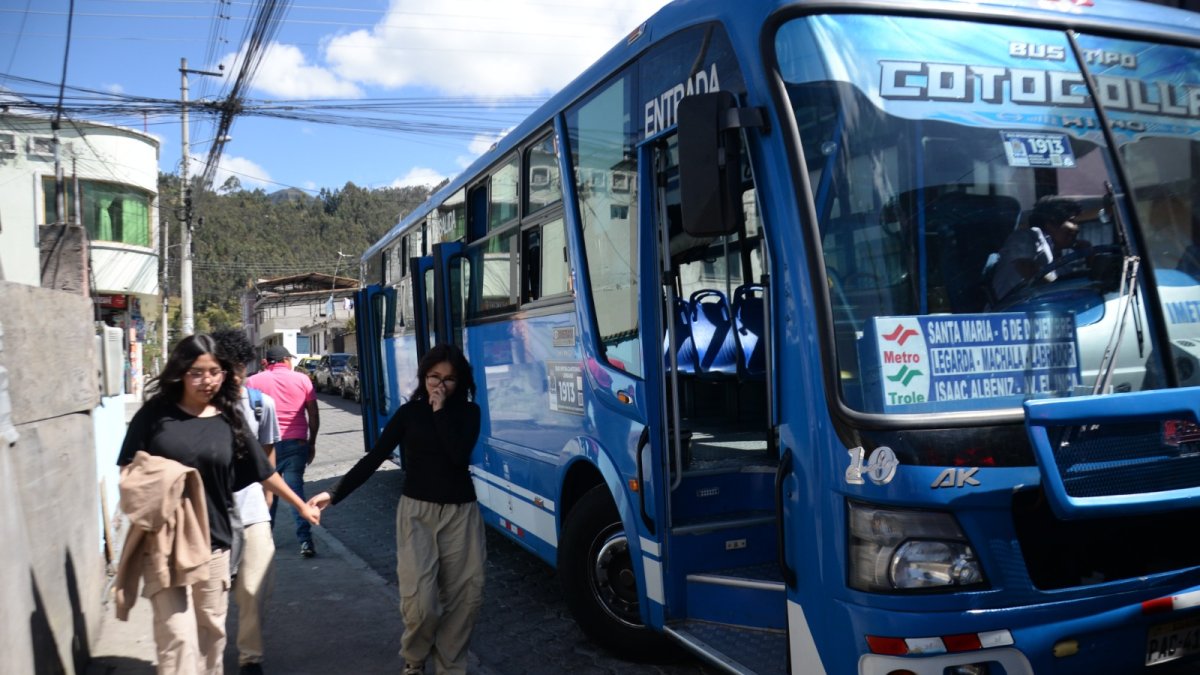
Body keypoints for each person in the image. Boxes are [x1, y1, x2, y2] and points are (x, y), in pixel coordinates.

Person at [116, 334, 320, 675]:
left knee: (211, 636)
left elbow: (263, 470)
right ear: (180, 371)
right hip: (166, 542)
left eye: (214, 372)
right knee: (178, 637)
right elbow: (128, 467)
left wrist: (300, 506)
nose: (206, 380)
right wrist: (169, 479)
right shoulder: (155, 415)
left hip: (215, 545)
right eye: (197, 372)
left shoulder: (229, 419)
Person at [308, 344, 484, 675]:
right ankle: (414, 659)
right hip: (417, 514)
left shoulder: (469, 414)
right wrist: (334, 493)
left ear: (460, 382)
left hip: (461, 513)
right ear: (424, 376)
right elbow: (374, 457)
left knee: (466, 599)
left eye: (449, 379)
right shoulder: (409, 414)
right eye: (434, 376)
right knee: (421, 604)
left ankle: (451, 667)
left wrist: (441, 411)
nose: (440, 385)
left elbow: (458, 456)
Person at [212, 329, 281, 675]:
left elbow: (268, 453)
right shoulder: (202, 406)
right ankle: (208, 655)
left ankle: (249, 658)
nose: (234, 375)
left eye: (239, 367)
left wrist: (269, 500)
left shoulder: (260, 403)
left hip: (253, 511)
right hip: (210, 517)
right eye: (227, 367)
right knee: (213, 595)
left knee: (255, 589)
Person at [248, 344, 320, 558]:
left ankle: (265, 541)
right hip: (296, 444)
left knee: (268, 493)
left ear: (268, 362)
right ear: (285, 360)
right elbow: (314, 415)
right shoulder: (302, 380)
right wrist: (312, 442)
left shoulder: (254, 381)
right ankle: (306, 542)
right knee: (295, 493)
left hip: (266, 445)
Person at [990, 196, 1088, 301]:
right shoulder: (1028, 237)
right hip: (1011, 312)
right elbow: (1026, 268)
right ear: (1051, 223)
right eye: (1072, 221)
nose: (1077, 228)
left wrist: (1089, 256)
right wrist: (1064, 295)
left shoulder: (1060, 262)